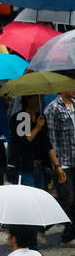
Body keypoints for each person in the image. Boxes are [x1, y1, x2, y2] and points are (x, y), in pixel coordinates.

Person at [44, 87, 75, 240]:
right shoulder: (53, 108)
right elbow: (50, 138)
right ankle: (40, 226)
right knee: (67, 198)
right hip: (63, 162)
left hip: (74, 159)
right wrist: (56, 165)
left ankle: (69, 235)